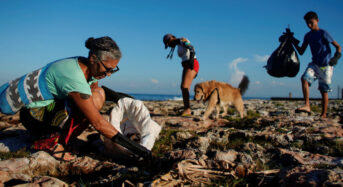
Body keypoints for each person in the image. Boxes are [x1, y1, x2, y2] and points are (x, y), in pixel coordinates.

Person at [0, 36, 150, 161]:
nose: (109, 74)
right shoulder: (73, 77)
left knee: (97, 94)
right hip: (34, 116)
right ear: (93, 58)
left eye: (113, 70)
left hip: (49, 108)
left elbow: (97, 90)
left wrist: (130, 100)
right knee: (94, 101)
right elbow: (97, 122)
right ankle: (56, 144)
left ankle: (64, 140)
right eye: (107, 69)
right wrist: (140, 150)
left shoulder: (85, 66)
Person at [293, 11, 341, 118]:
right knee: (304, 79)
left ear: (317, 20)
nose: (309, 25)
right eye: (307, 24)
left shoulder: (324, 33)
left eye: (311, 23)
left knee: (323, 90)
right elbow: (301, 51)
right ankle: (307, 105)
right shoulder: (308, 36)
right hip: (314, 64)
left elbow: (338, 46)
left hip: (326, 66)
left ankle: (323, 114)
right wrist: (293, 41)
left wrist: (336, 57)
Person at [102, 86, 161, 151]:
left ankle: (120, 98)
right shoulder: (148, 127)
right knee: (133, 105)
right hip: (129, 111)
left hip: (128, 112)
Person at [163, 34, 200, 116]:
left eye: (168, 44)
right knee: (184, 87)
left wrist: (191, 61)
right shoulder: (178, 43)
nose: (169, 46)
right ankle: (187, 108)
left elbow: (191, 48)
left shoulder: (182, 40)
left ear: (171, 39)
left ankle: (187, 109)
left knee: (184, 86)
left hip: (191, 63)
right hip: (186, 65)